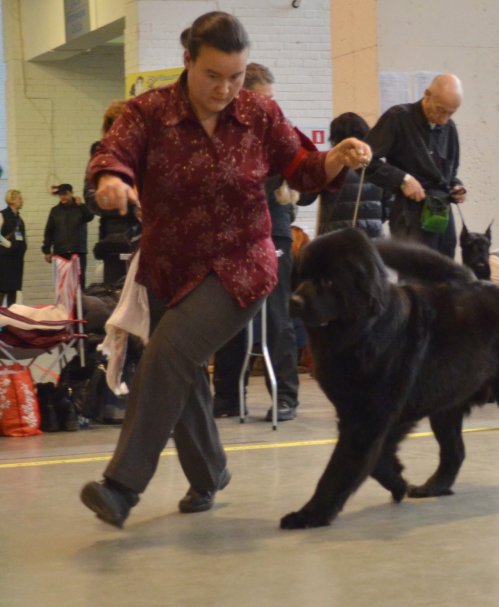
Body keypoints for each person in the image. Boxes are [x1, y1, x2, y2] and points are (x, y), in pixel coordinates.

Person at [79, 11, 371, 528]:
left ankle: (122, 486)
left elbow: (301, 170)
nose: (225, 88)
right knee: (180, 368)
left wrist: (336, 159)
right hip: (170, 268)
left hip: (242, 265)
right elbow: (112, 152)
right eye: (213, 75)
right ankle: (210, 472)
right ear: (187, 60)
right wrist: (111, 180)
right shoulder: (148, 112)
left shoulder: (259, 114)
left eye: (235, 76)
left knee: (168, 353)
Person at [212, 62, 304, 423]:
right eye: (264, 99)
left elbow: (308, 187)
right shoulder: (223, 132)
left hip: (273, 232)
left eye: (273, 100)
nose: (271, 107)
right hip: (232, 235)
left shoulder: (281, 133)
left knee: (276, 315)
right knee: (229, 317)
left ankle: (285, 397)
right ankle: (228, 398)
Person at [364, 73, 466, 258]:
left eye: (451, 113)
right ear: (427, 94)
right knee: (415, 278)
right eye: (440, 110)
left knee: (447, 277)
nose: (444, 119)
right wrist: (403, 179)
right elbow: (364, 161)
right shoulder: (398, 118)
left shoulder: (449, 128)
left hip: (441, 214)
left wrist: (456, 186)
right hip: (409, 214)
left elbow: (450, 173)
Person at [85, 99, 141, 285]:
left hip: (150, 239)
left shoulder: (149, 152)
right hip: (117, 241)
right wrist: (130, 204)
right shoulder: (100, 156)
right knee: (116, 296)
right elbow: (92, 200)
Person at [316, 112, 390, 238]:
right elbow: (388, 209)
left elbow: (304, 199)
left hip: (334, 239)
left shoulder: (329, 165)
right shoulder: (380, 168)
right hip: (372, 240)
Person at [42, 184, 93, 288]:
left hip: (78, 250)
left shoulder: (80, 208)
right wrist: (46, 250)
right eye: (60, 195)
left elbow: (90, 216)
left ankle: (80, 303)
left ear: (71, 194)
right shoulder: (55, 211)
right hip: (61, 251)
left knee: (79, 280)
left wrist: (82, 205)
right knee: (62, 282)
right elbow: (49, 231)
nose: (63, 197)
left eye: (65, 194)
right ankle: (63, 304)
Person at [0, 190, 27, 306]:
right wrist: (9, 245)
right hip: (4, 260)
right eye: (19, 198)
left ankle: (10, 322)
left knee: (14, 292)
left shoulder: (19, 220)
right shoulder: (2, 215)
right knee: (2, 289)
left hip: (17, 261)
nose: (21, 201)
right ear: (12, 200)